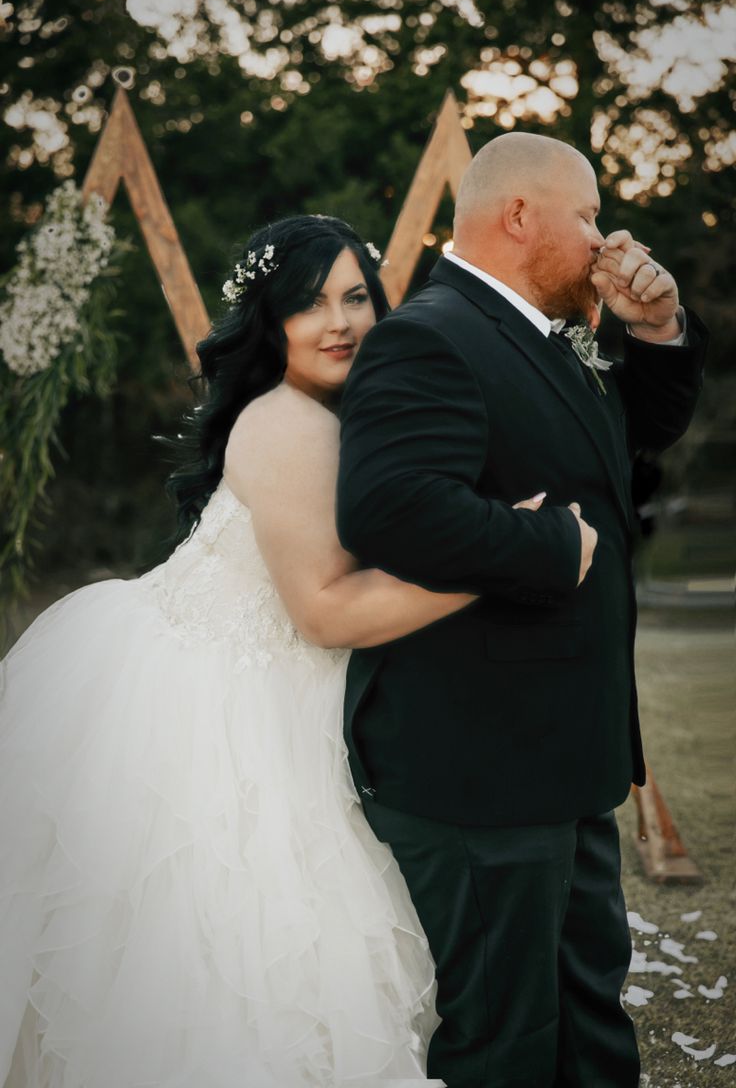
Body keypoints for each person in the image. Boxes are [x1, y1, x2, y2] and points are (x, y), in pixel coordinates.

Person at [0, 215, 478, 1088]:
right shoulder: (293, 425)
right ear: (270, 321)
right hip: (212, 704)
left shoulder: (334, 414)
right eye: (308, 303)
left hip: (266, 689)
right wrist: (502, 564)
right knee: (232, 962)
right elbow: (324, 614)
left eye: (356, 297)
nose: (338, 322)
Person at [336, 133, 707, 1088]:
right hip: (480, 770)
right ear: (518, 217)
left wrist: (656, 327)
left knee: (587, 1013)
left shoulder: (536, 332)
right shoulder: (431, 334)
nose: (602, 239)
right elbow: (391, 509)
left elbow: (623, 439)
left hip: (560, 759)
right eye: (587, 216)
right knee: (505, 1041)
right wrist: (556, 548)